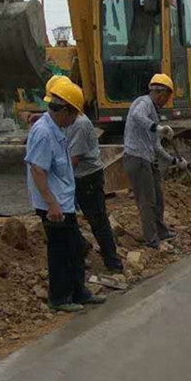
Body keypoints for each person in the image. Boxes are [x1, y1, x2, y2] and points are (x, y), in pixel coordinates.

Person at [25, 78, 106, 313]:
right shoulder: (43, 132)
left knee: (74, 247)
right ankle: (59, 297)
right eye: (74, 115)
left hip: (63, 201)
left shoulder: (55, 128)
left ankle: (78, 290)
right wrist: (52, 204)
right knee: (60, 252)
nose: (74, 121)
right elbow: (37, 169)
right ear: (66, 110)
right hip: (54, 205)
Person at [57, 92, 123, 272]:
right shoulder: (70, 120)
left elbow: (74, 159)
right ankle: (82, 247)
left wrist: (57, 180)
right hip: (78, 177)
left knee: (98, 220)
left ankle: (113, 262)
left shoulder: (80, 124)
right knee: (69, 218)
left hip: (87, 178)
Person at [123, 73, 186, 250]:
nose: (166, 101)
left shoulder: (153, 112)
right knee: (147, 202)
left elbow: (156, 146)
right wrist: (157, 128)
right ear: (160, 93)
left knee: (158, 198)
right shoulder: (143, 103)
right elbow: (136, 116)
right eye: (166, 97)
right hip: (136, 158)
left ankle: (162, 231)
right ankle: (152, 240)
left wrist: (174, 160)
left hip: (148, 159)